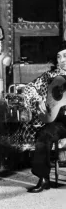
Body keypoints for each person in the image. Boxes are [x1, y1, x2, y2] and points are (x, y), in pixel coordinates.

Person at [21, 42, 66, 193]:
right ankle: (44, 178)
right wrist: (37, 99)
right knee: (43, 135)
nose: (62, 60)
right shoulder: (49, 76)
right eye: (59, 57)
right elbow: (28, 89)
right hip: (60, 121)